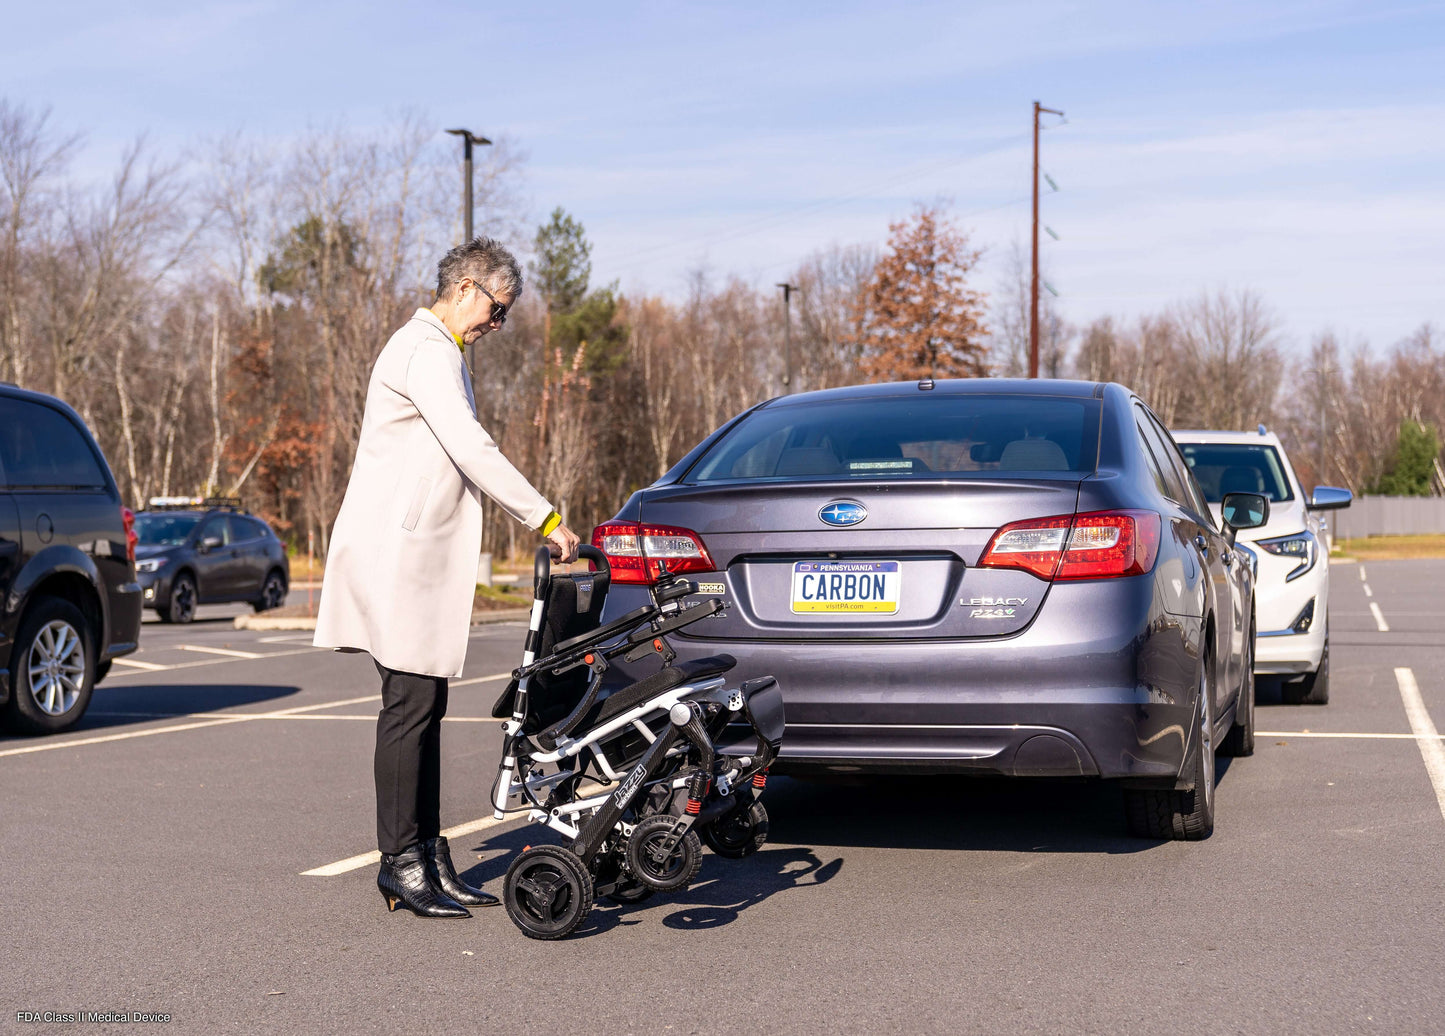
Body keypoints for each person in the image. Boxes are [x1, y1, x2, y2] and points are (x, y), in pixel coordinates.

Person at [314, 237, 580, 918]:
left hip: (413, 556)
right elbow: (469, 445)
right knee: (408, 708)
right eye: (498, 309)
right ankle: (400, 863)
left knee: (423, 706)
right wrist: (544, 519)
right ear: (466, 287)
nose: (498, 324)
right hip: (396, 556)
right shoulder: (425, 350)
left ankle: (428, 855)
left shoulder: (442, 351)